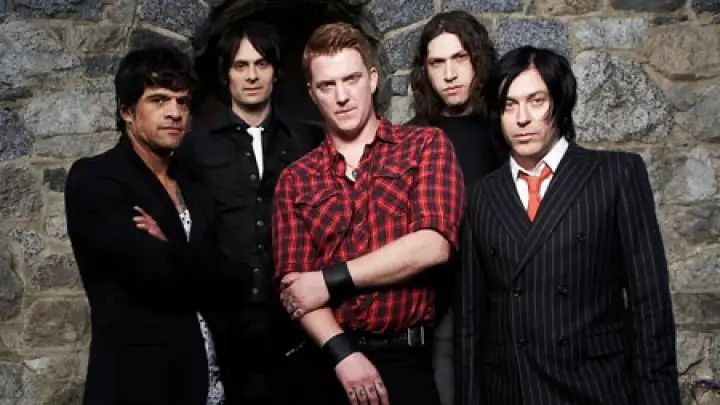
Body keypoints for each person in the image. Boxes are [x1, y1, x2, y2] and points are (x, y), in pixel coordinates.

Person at [457, 45, 681, 405]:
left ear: (560, 105)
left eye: (536, 101)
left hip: (595, 388)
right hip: (512, 391)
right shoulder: (482, 194)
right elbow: (470, 321)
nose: (522, 118)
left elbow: (649, 305)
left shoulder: (615, 174)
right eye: (509, 105)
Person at [272, 22, 465, 405]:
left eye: (351, 79)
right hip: (332, 362)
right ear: (312, 93)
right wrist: (343, 355)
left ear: (373, 79)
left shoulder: (425, 146)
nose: (342, 96)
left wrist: (330, 280)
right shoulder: (295, 179)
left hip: (409, 360)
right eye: (327, 85)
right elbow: (296, 287)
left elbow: (433, 245)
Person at [65, 46, 228, 405]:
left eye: (182, 102)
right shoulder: (96, 178)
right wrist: (192, 261)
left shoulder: (195, 185)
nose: (175, 113)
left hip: (209, 384)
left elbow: (230, 277)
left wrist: (169, 247)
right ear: (126, 110)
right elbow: (149, 271)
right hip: (138, 384)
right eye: (158, 100)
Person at [175, 21, 324, 405]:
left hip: (297, 324)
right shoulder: (196, 148)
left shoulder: (309, 139)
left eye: (261, 64)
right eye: (240, 65)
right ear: (226, 74)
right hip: (227, 328)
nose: (252, 75)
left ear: (276, 71)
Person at [408, 11, 502, 405]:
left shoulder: (508, 130)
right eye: (437, 62)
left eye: (459, 58)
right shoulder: (411, 140)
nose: (449, 74)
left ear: (478, 59)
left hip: (504, 302)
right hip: (440, 308)